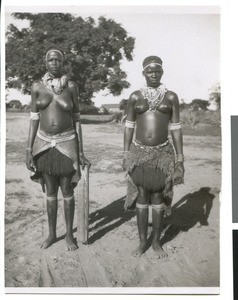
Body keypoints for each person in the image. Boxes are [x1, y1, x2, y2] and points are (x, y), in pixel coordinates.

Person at [26, 46, 90, 251]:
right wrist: (29, 149)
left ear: (63, 64)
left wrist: (80, 152)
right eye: (51, 60)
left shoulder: (71, 86)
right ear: (46, 63)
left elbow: (77, 120)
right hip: (43, 143)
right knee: (51, 191)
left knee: (67, 189)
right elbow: (34, 119)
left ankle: (69, 235)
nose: (54, 63)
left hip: (67, 142)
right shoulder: (37, 86)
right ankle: (52, 234)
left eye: (58, 60)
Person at [122, 55, 184, 258]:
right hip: (139, 153)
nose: (154, 74)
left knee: (158, 197)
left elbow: (175, 128)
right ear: (143, 73)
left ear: (162, 72)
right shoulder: (135, 97)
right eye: (150, 71)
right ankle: (142, 242)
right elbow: (129, 126)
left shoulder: (171, 97)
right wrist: (125, 153)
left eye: (157, 71)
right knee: (141, 195)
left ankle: (156, 243)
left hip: (163, 153)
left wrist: (180, 159)